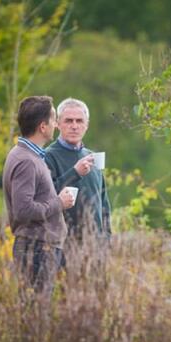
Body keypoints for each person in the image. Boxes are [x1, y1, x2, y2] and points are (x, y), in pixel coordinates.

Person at [2, 95, 76, 293]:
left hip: (40, 248)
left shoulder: (28, 155)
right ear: (43, 127)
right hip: (37, 249)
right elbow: (23, 211)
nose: (56, 125)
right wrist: (59, 203)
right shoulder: (26, 160)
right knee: (36, 315)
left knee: (37, 313)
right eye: (53, 120)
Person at [44, 98, 112, 242]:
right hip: (64, 245)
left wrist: (106, 239)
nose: (74, 126)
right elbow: (44, 198)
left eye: (79, 121)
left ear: (86, 125)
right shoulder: (48, 156)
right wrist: (75, 173)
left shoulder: (92, 157)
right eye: (69, 121)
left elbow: (104, 203)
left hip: (95, 245)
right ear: (57, 124)